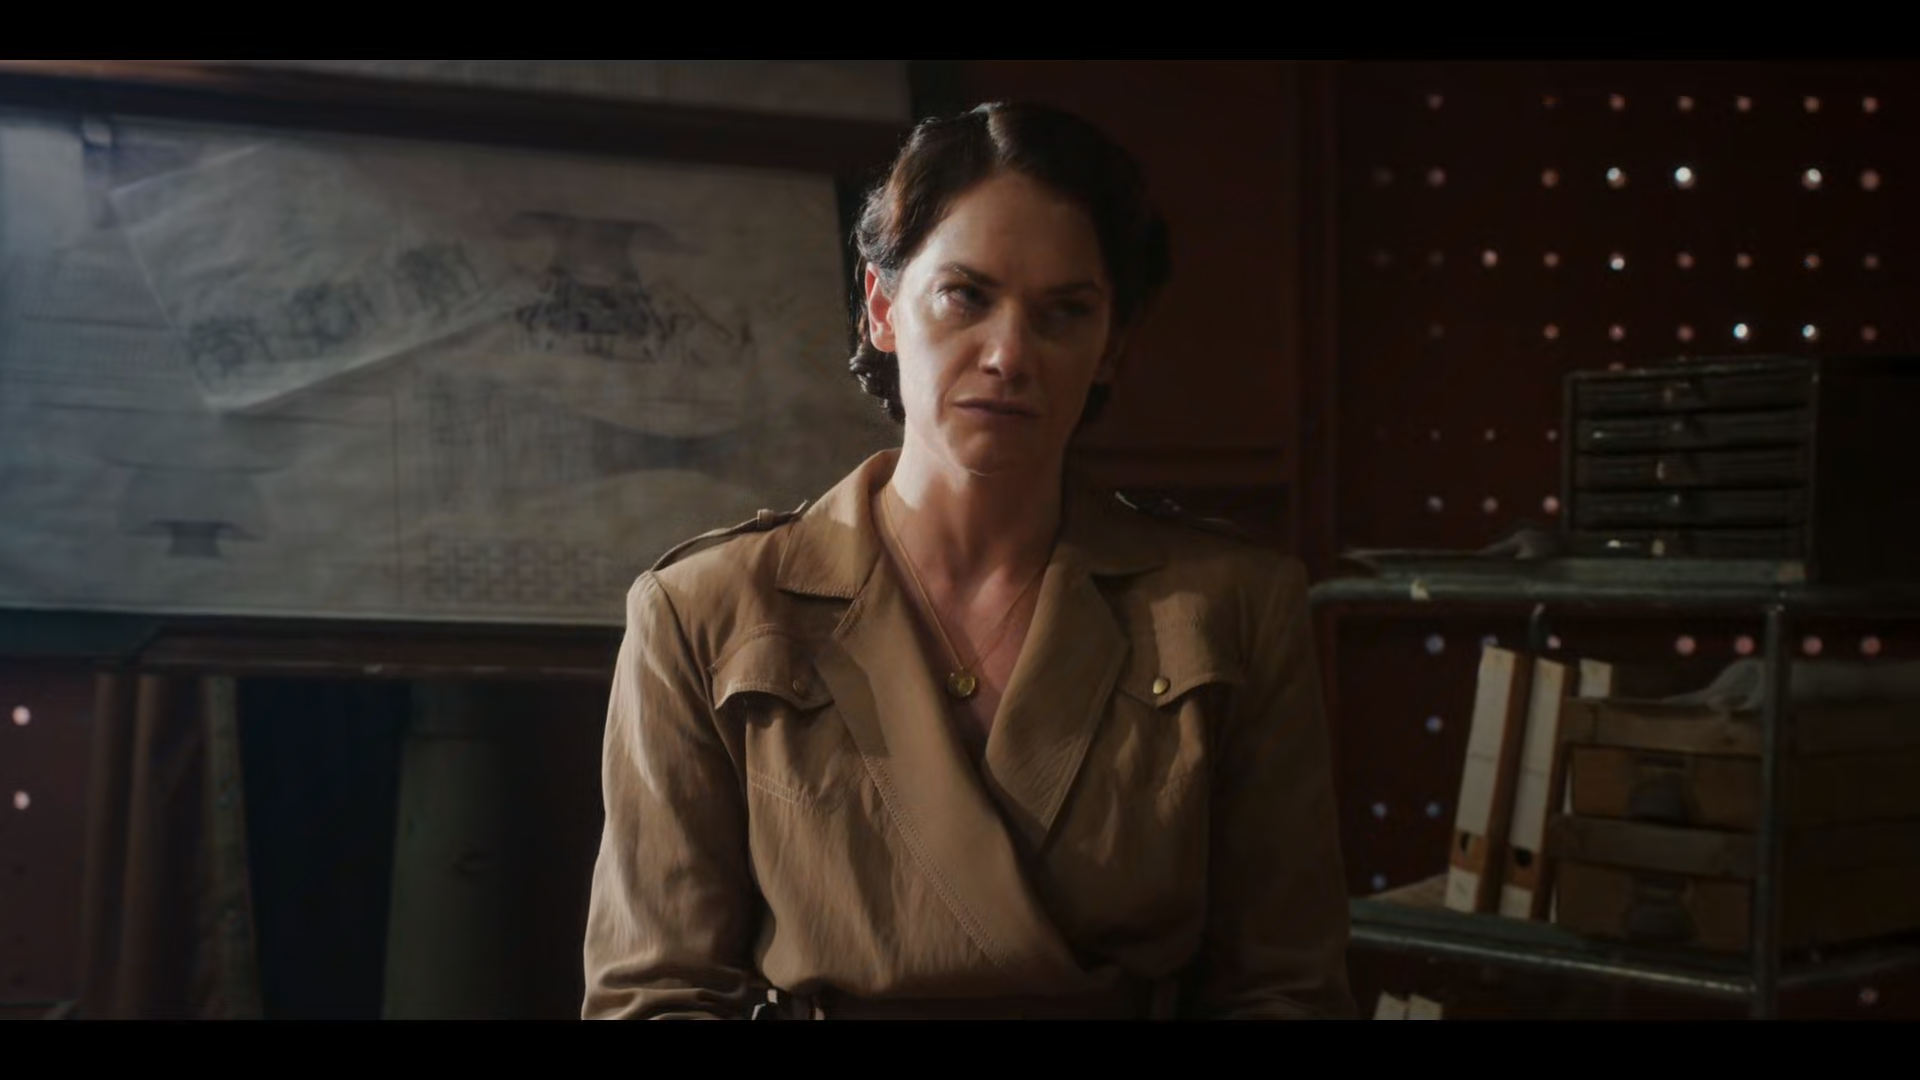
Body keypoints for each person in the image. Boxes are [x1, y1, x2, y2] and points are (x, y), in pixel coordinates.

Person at [581, 100, 1355, 1020]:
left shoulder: (1234, 608)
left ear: (1112, 345)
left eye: (1065, 312)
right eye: (966, 296)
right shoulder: (705, 611)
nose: (1009, 354)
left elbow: (1286, 988)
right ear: (882, 308)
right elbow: (657, 992)